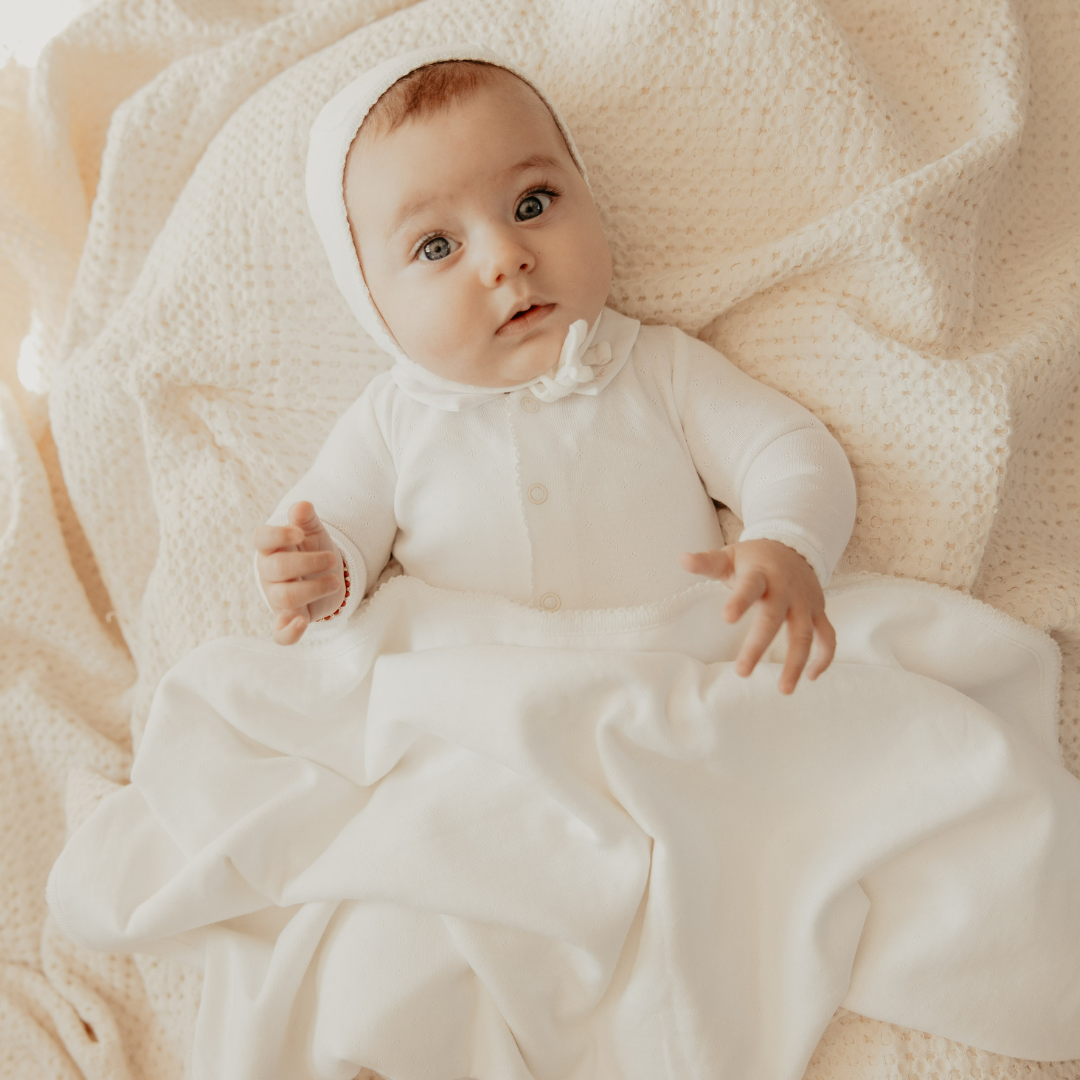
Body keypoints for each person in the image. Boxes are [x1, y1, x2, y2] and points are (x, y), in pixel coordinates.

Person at [254, 44, 856, 695]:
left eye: (533, 204)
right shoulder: (391, 421)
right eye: (436, 246)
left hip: (675, 678)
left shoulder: (659, 367)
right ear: (370, 300)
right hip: (476, 703)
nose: (505, 256)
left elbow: (788, 449)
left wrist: (787, 542)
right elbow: (328, 523)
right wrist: (316, 572)